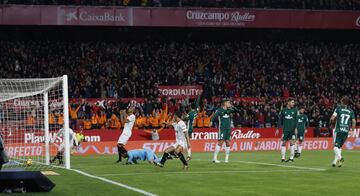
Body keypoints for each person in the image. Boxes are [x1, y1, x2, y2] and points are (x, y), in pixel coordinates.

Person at [330, 96, 356, 167]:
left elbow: (332, 118)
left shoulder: (338, 108)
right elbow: (354, 121)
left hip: (338, 130)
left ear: (342, 101)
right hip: (346, 131)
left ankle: (340, 158)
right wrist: (353, 130)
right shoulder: (351, 111)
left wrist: (331, 123)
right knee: (339, 147)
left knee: (335, 146)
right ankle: (335, 162)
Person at [276, 98, 298, 162]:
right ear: (288, 103)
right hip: (285, 130)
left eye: (293, 102)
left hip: (292, 130)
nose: (293, 103)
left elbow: (296, 120)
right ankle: (283, 158)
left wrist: (296, 128)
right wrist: (277, 128)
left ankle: (291, 158)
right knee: (284, 143)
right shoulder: (283, 110)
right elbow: (280, 120)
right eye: (292, 102)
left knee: (292, 143)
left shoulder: (295, 110)